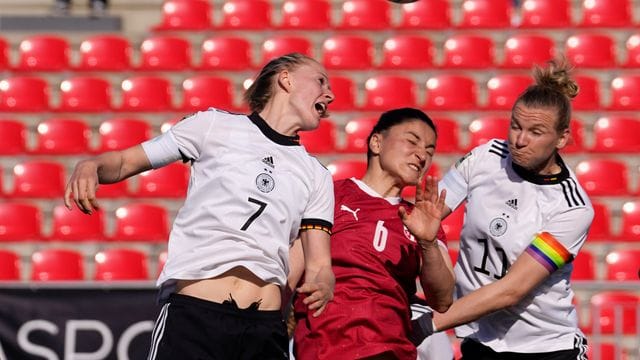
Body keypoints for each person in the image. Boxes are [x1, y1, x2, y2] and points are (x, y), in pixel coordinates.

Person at [63, 53, 336, 360]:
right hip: (195, 319)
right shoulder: (211, 125)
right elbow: (126, 161)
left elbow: (319, 264)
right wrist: (92, 165)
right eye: (321, 81)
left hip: (264, 330)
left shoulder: (318, 175)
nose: (330, 94)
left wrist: (323, 281)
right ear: (285, 79)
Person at [417, 58, 593, 359]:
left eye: (535, 132)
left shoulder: (572, 207)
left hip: (547, 349)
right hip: (481, 341)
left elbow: (511, 290)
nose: (519, 140)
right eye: (515, 126)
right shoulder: (485, 157)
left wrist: (427, 323)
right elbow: (429, 215)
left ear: (562, 138)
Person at [290, 108, 456, 359]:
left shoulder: (422, 220)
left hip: (390, 351)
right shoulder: (329, 195)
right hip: (322, 349)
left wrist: (428, 243)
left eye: (430, 151)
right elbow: (291, 268)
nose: (422, 155)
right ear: (376, 142)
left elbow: (442, 300)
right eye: (412, 141)